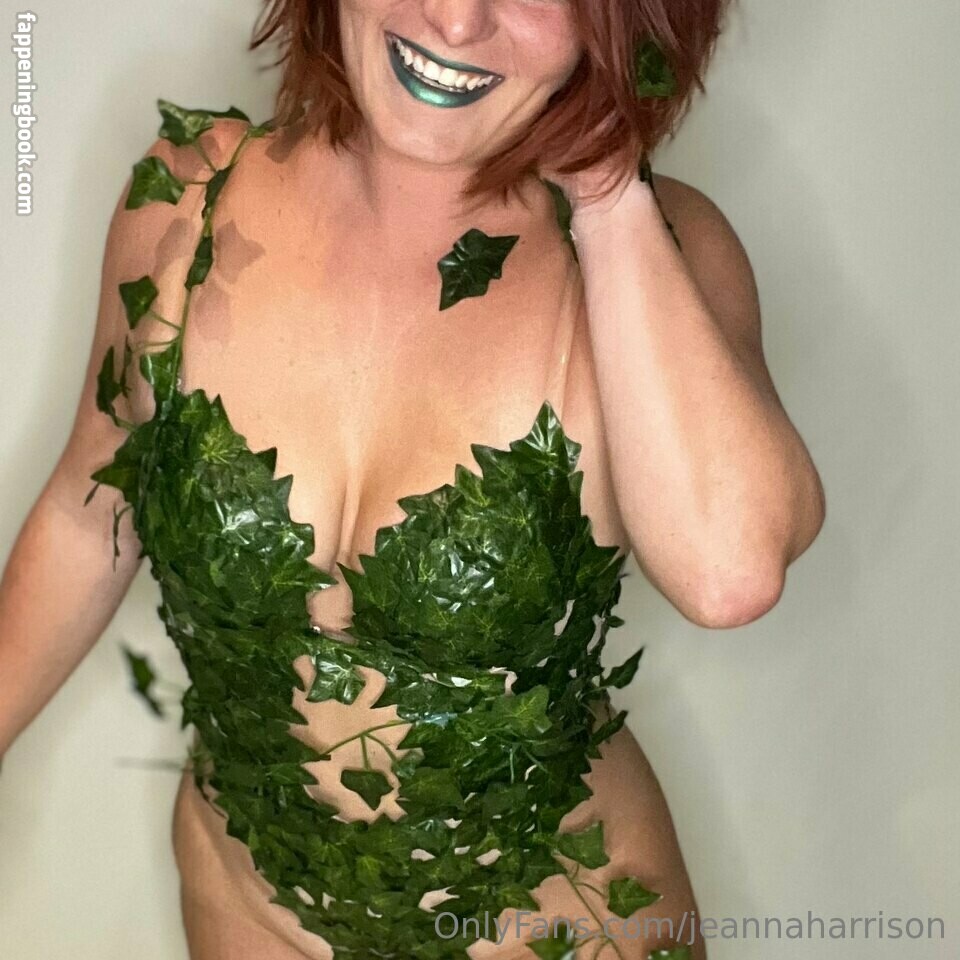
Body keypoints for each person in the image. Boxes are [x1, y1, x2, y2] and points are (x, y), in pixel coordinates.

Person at [0, 1, 825, 958]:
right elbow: (88, 510)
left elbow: (729, 571)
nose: (455, 19)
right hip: (246, 907)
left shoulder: (661, 252)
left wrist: (608, 193)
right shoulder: (183, 202)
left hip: (558, 927)